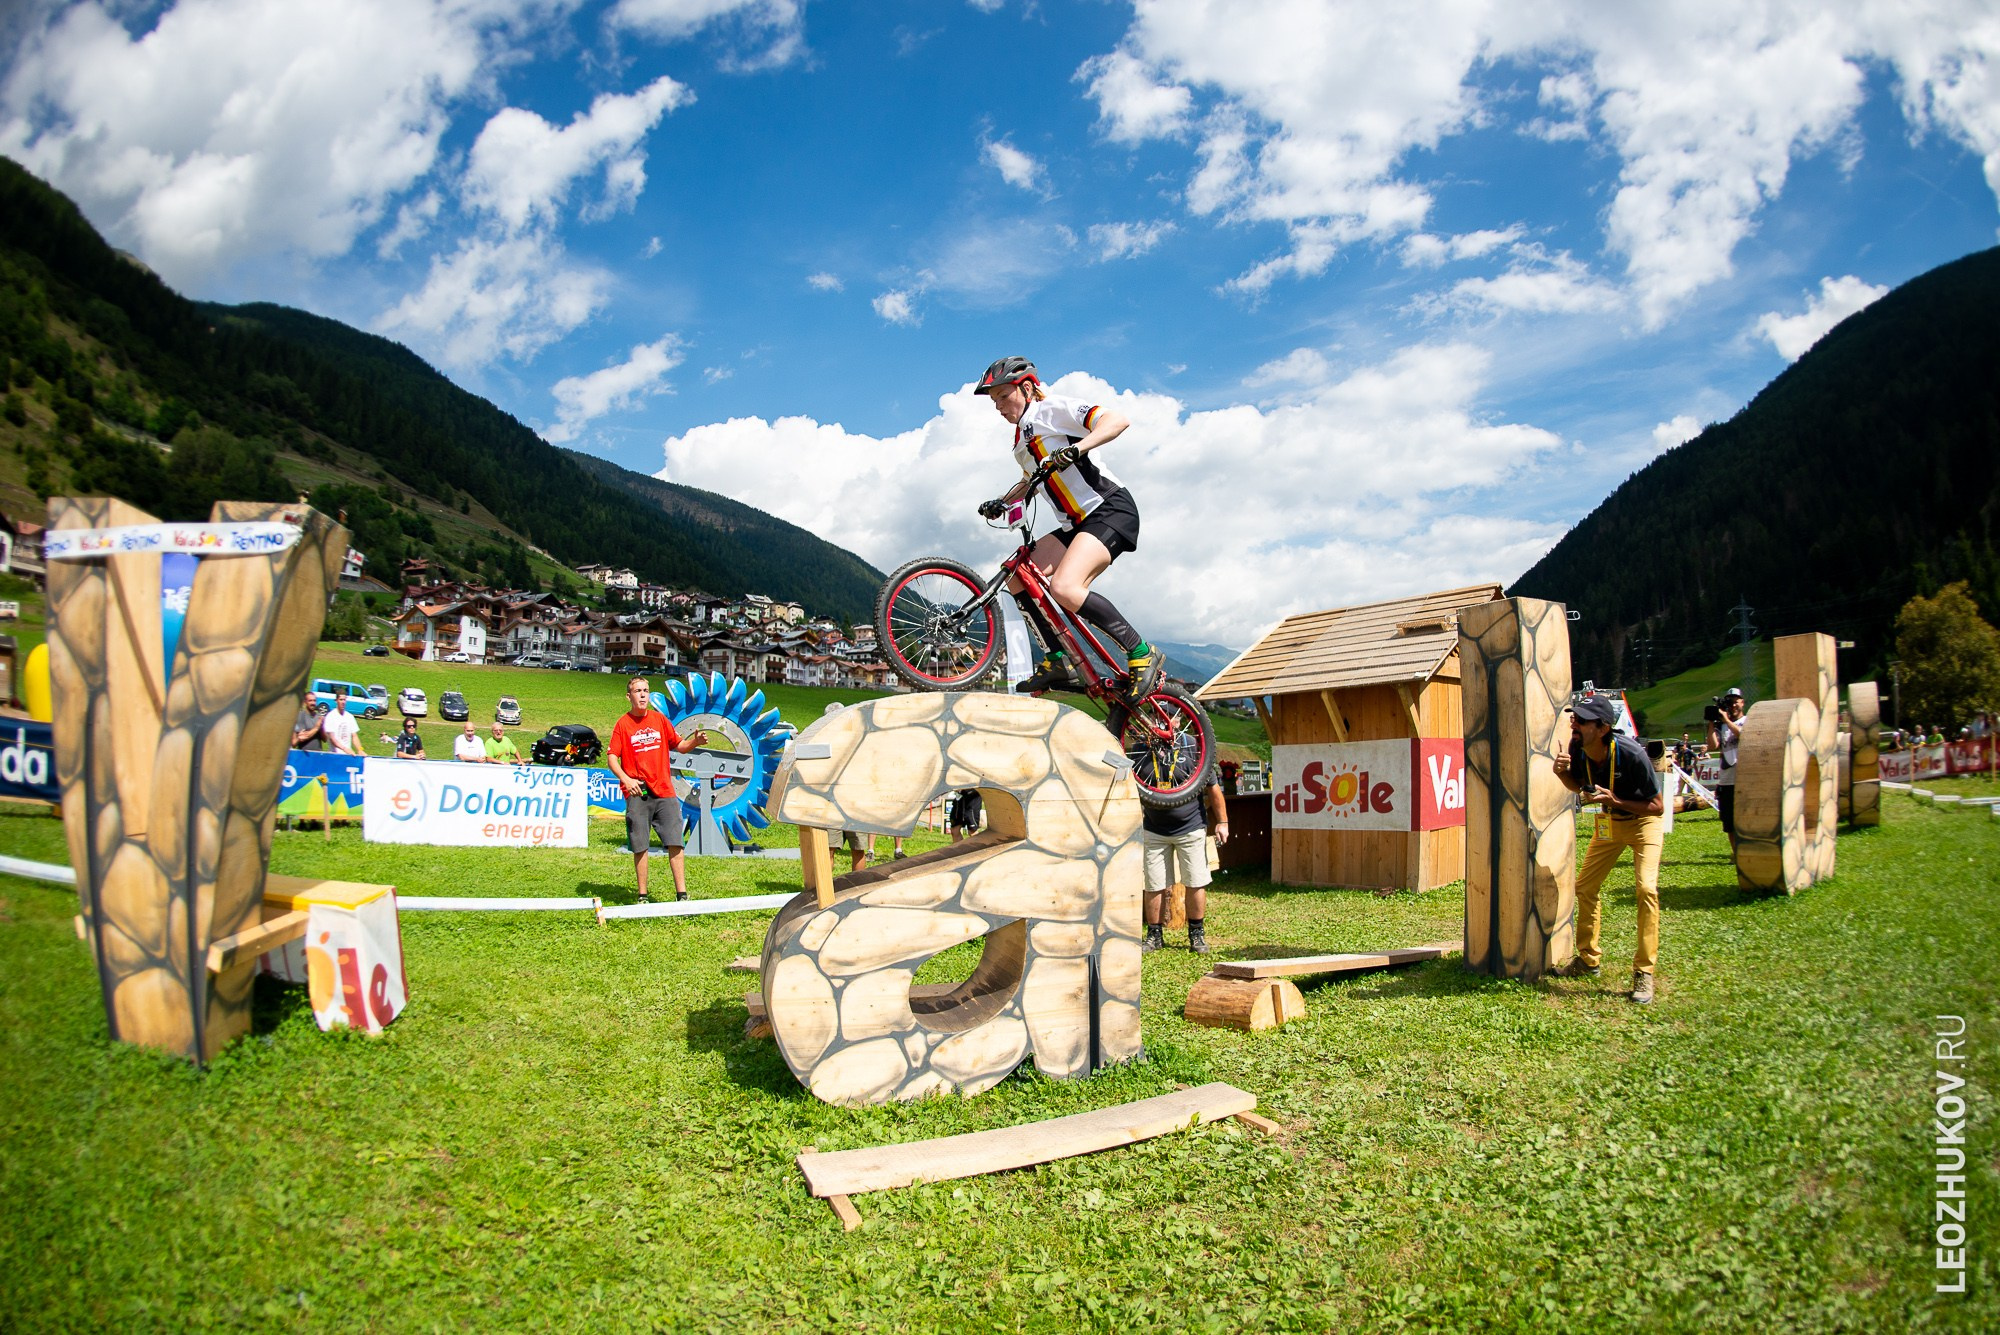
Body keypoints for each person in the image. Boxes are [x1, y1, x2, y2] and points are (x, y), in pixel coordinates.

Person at [972, 356, 1159, 699]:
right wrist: (1003, 501)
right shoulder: (1019, 442)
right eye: (994, 400)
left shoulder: (1052, 409)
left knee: (1066, 588)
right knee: (1017, 575)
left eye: (1002, 396)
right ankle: (1058, 660)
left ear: (1026, 388)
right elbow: (1030, 481)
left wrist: (1077, 449)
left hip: (1109, 510)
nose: (998, 406)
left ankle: (1141, 653)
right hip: (1075, 525)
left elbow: (1117, 421)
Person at [1556, 695, 1665, 1004]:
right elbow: (1579, 787)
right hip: (1610, 824)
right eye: (1574, 717)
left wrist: (1616, 801)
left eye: (1582, 720)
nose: (1574, 723)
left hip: (1643, 823)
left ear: (1603, 728)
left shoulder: (1631, 754)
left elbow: (1657, 807)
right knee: (1585, 887)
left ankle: (1644, 972)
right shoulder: (1578, 749)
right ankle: (1588, 959)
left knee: (1646, 890)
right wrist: (1561, 772)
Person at [605, 676, 709, 902]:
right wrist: (626, 779)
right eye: (637, 691)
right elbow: (612, 757)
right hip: (638, 792)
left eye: (645, 690)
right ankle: (643, 895)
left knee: (675, 842)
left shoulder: (660, 719)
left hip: (664, 790)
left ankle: (682, 894)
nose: (642, 695)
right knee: (640, 845)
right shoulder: (623, 724)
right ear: (629, 696)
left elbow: (679, 746)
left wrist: (695, 743)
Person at [1141, 780, 1228, 954]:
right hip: (1154, 828)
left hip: (1191, 827)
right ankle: (1154, 935)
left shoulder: (1197, 752)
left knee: (1195, 881)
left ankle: (1196, 933)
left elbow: (1212, 786)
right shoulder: (1141, 752)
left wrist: (1222, 821)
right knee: (1153, 882)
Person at [1707, 688, 1745, 853]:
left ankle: (1745, 851)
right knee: (1729, 822)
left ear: (1742, 702)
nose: (1733, 705)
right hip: (1727, 779)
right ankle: (1736, 853)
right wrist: (1711, 723)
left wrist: (1727, 721)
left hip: (1743, 778)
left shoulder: (1747, 720)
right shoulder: (1721, 725)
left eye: (1736, 701)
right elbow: (1712, 745)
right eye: (1730, 701)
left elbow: (1744, 736)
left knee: (1744, 820)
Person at [320, 687, 362, 756]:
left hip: (347, 755)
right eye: (341, 700)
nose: (343, 702)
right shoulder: (330, 716)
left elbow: (354, 736)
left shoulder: (350, 717)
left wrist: (360, 750)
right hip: (335, 755)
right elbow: (332, 738)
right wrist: (345, 749)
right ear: (336, 701)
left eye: (344, 700)